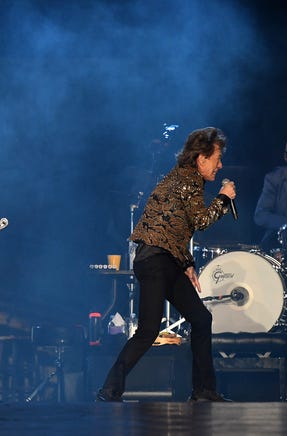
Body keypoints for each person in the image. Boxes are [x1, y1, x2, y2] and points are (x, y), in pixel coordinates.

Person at [96, 127, 236, 402]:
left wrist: (186, 264)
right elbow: (200, 222)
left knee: (200, 318)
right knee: (148, 330)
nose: (220, 165)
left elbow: (172, 227)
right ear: (201, 158)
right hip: (156, 262)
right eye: (217, 158)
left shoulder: (177, 178)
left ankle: (204, 391)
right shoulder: (189, 180)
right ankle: (110, 389)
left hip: (163, 261)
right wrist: (223, 198)